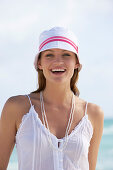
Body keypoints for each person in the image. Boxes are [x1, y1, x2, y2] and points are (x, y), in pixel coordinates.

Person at [0, 26, 104, 170]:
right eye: (49, 55)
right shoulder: (16, 107)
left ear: (77, 63)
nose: (58, 61)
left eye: (66, 54)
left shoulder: (93, 113)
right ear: (39, 63)